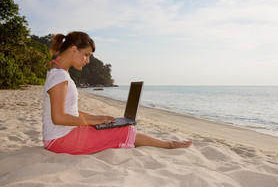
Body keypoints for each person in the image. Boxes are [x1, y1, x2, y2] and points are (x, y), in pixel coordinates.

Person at [42, 31, 192, 155]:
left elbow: (71, 111)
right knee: (124, 130)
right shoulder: (59, 76)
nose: (87, 61)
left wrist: (97, 118)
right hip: (61, 139)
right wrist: (92, 122)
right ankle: (170, 145)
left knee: (113, 126)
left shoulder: (61, 73)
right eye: (86, 55)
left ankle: (168, 144)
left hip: (62, 136)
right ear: (74, 50)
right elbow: (59, 117)